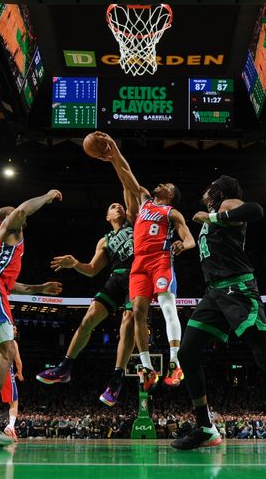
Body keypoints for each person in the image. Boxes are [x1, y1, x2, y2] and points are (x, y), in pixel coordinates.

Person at [171, 175, 266, 452]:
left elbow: (256, 210)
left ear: (219, 190)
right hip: (214, 294)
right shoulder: (213, 214)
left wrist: (214, 218)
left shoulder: (228, 204)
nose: (205, 190)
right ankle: (205, 427)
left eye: (209, 185)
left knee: (265, 355)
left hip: (238, 289)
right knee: (187, 352)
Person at [0, 189, 63, 446]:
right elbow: (20, 211)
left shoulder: (0, 250)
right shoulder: (11, 229)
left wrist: (39, 289)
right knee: (6, 353)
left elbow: (13, 285)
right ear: (5, 220)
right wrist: (48, 195)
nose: (21, 218)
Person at [96, 132, 195, 389]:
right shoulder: (144, 201)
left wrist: (182, 245)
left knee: (166, 306)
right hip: (139, 263)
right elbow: (127, 174)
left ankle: (175, 362)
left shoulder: (171, 212)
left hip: (161, 259)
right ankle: (147, 367)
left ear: (170, 195)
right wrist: (114, 152)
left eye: (166, 185)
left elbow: (190, 240)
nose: (160, 184)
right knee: (138, 312)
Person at [36, 187, 140, 406]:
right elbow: (92, 269)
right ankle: (65, 367)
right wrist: (75, 264)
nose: (117, 206)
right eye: (112, 207)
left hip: (137, 276)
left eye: (119, 204)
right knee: (88, 319)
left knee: (128, 322)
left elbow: (128, 187)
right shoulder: (105, 241)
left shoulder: (133, 221)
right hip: (116, 277)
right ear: (107, 217)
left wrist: (114, 159)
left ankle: (116, 380)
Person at [2, 337, 23, 442]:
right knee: (14, 403)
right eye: (13, 328)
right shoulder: (12, 342)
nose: (15, 331)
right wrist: (19, 372)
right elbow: (18, 361)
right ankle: (11, 425)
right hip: (6, 372)